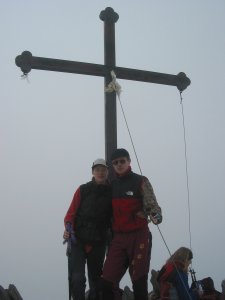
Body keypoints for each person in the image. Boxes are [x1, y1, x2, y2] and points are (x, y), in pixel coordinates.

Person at [101, 148, 162, 300]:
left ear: (129, 162)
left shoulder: (140, 181)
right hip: (119, 238)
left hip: (139, 236)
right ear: (112, 166)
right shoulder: (111, 184)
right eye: (115, 163)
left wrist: (155, 215)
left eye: (122, 161)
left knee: (139, 281)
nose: (119, 165)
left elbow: (152, 205)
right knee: (107, 281)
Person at [63, 158, 112, 300]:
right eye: (98, 170)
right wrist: (68, 228)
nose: (100, 172)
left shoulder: (112, 192)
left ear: (108, 172)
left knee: (96, 281)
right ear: (92, 172)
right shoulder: (83, 189)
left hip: (99, 241)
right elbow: (70, 213)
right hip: (77, 239)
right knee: (77, 279)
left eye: (103, 170)